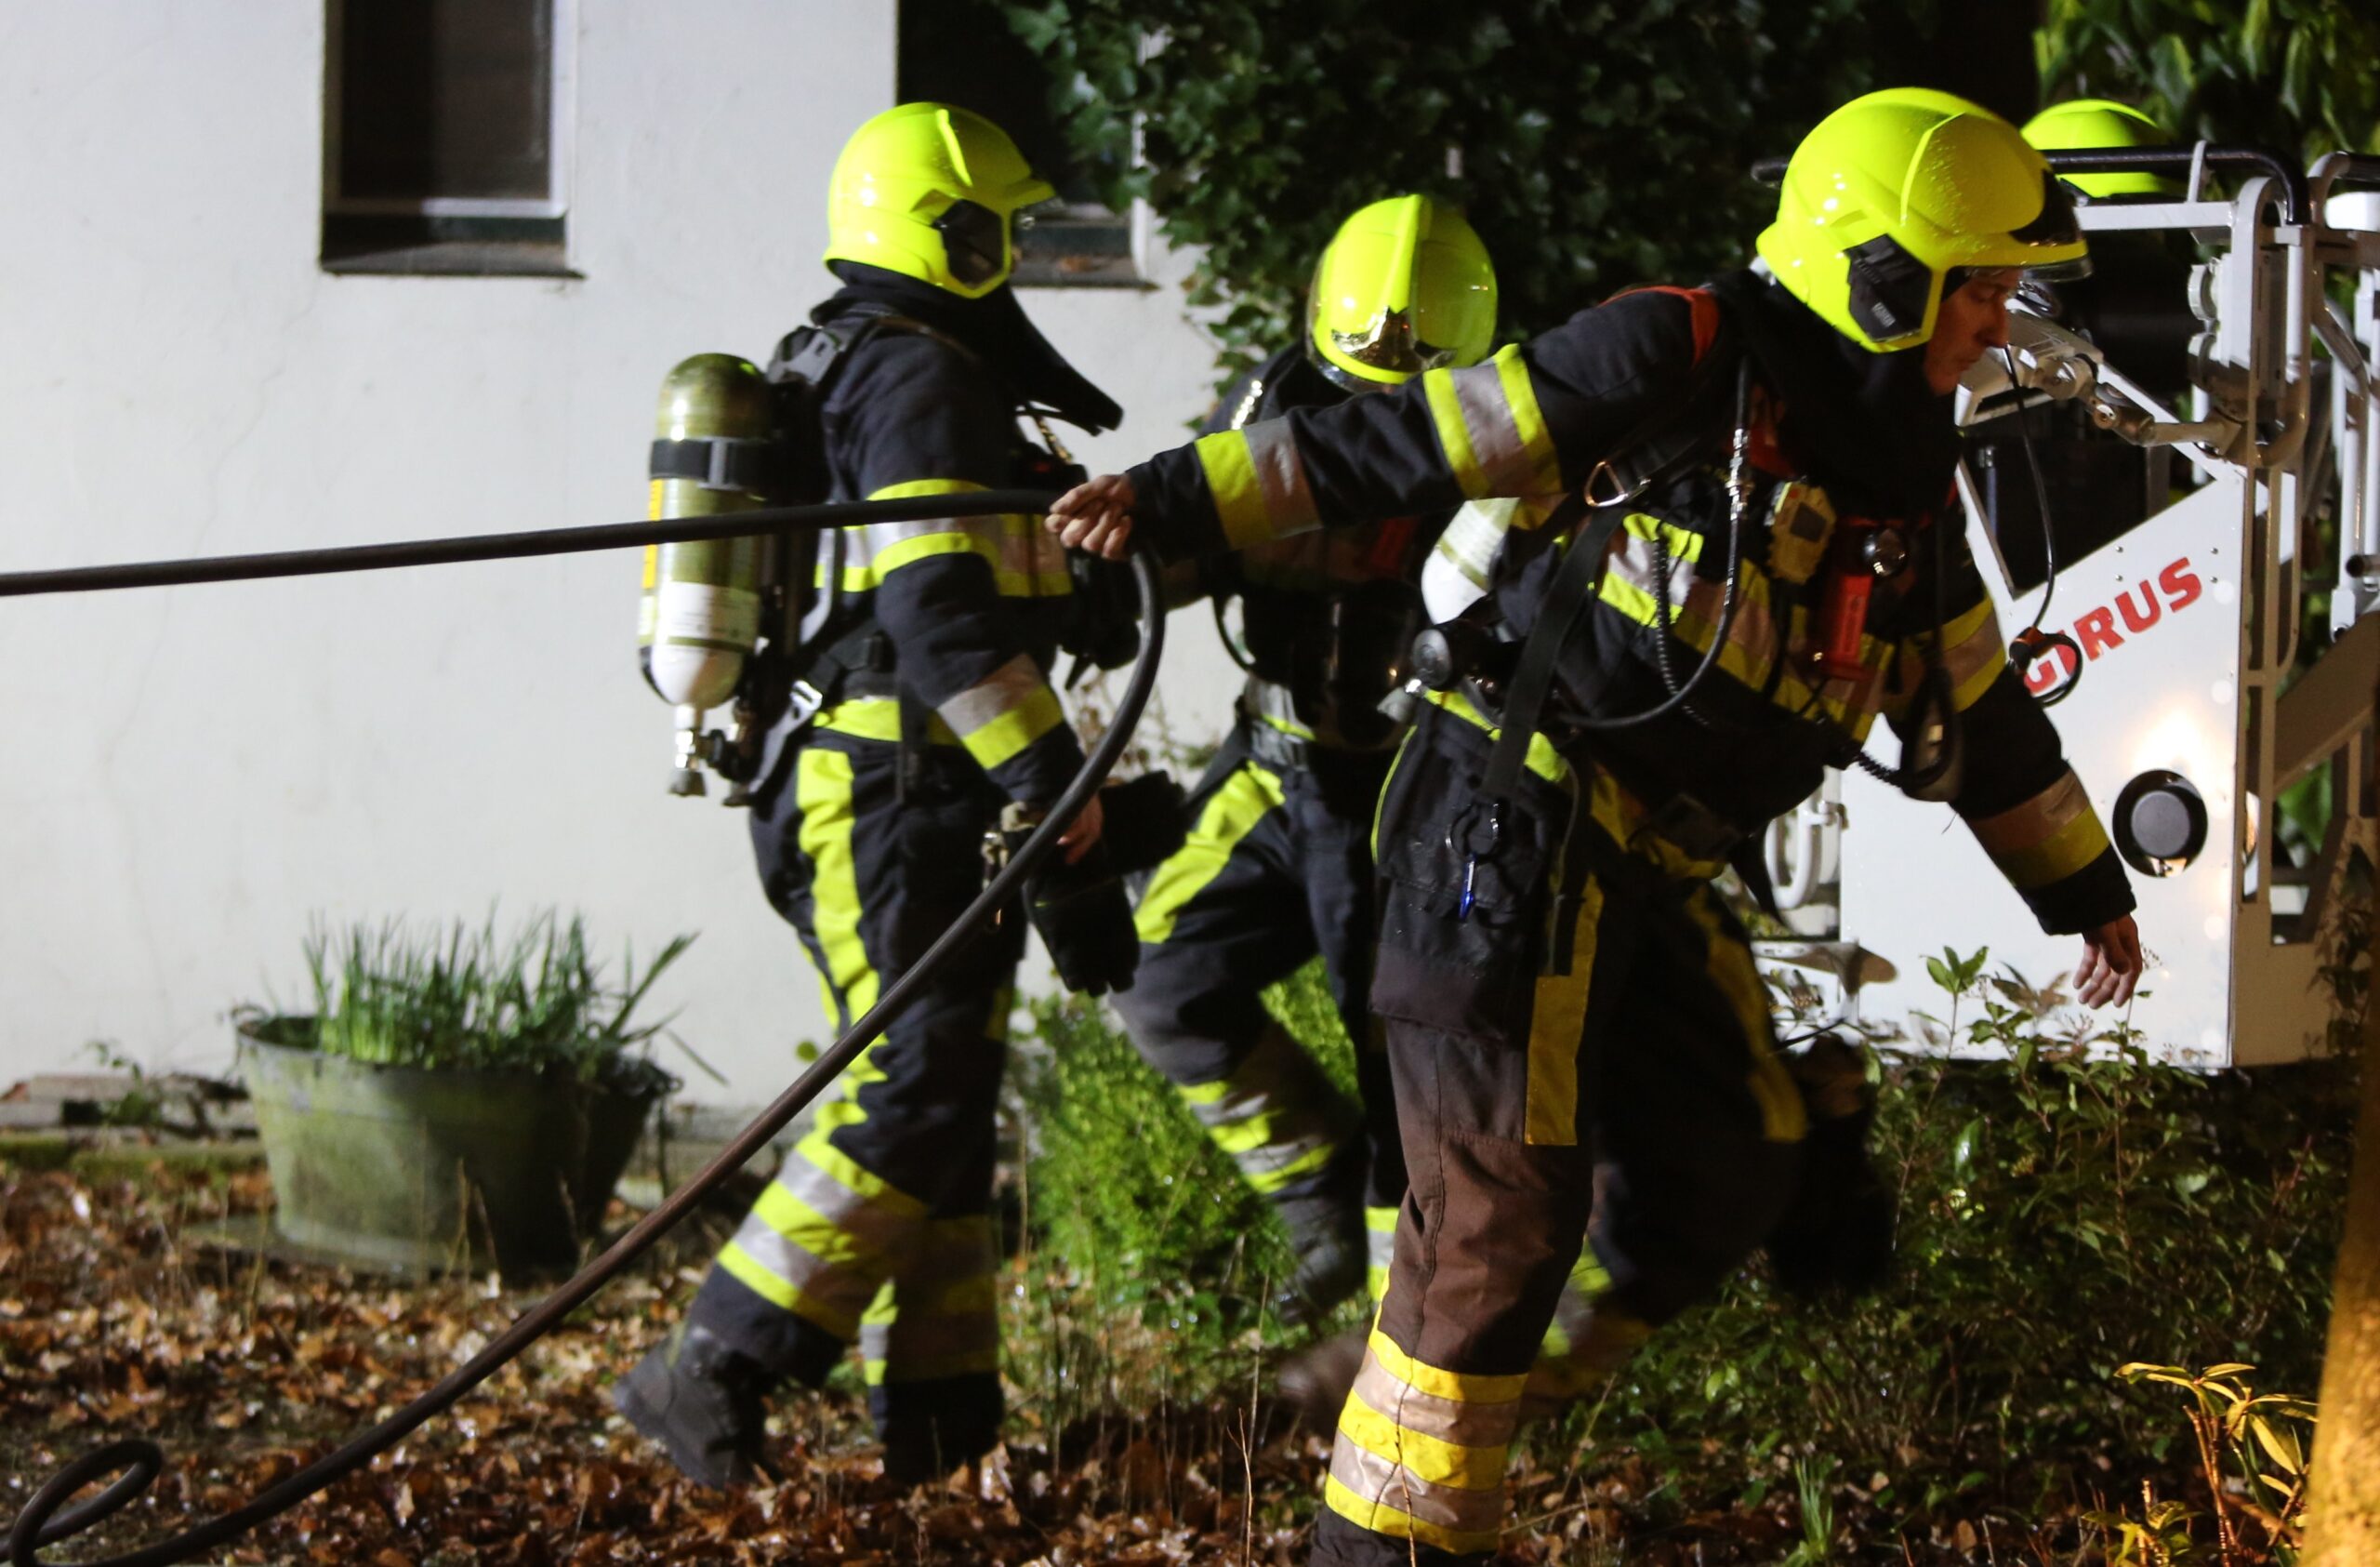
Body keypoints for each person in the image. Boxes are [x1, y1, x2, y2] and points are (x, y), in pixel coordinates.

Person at [1049, 88, 2145, 1564]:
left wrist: (2084, 890)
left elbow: (1977, 702)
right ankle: (1392, 1536)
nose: (1998, 319)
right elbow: (1407, 439)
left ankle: (1437, 1382)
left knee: (1731, 1158)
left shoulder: (1901, 475)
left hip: (1655, 867)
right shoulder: (1672, 353)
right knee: (1499, 1214)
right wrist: (1171, 497)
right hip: (1510, 825)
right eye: (1979, 285)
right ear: (1881, 276)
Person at [615, 101, 1131, 1490]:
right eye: (1001, 226)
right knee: (916, 1078)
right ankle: (714, 1358)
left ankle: (943, 1427)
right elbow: (938, 614)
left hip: (902, 785)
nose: (1017, 249)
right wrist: (1054, 782)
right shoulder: (918, 376)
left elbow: (970, 582)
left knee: (944, 1095)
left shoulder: (868, 362)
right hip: (886, 789)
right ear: (949, 233)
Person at [1111, 194, 1495, 1325]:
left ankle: (1399, 1331)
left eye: (1399, 399)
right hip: (1276, 767)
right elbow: (1182, 555)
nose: (1368, 421)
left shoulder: (1498, 445)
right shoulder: (1272, 407)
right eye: (1352, 390)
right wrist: (1105, 556)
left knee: (1398, 1055)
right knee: (1156, 970)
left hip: (1412, 790)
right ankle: (1319, 1199)